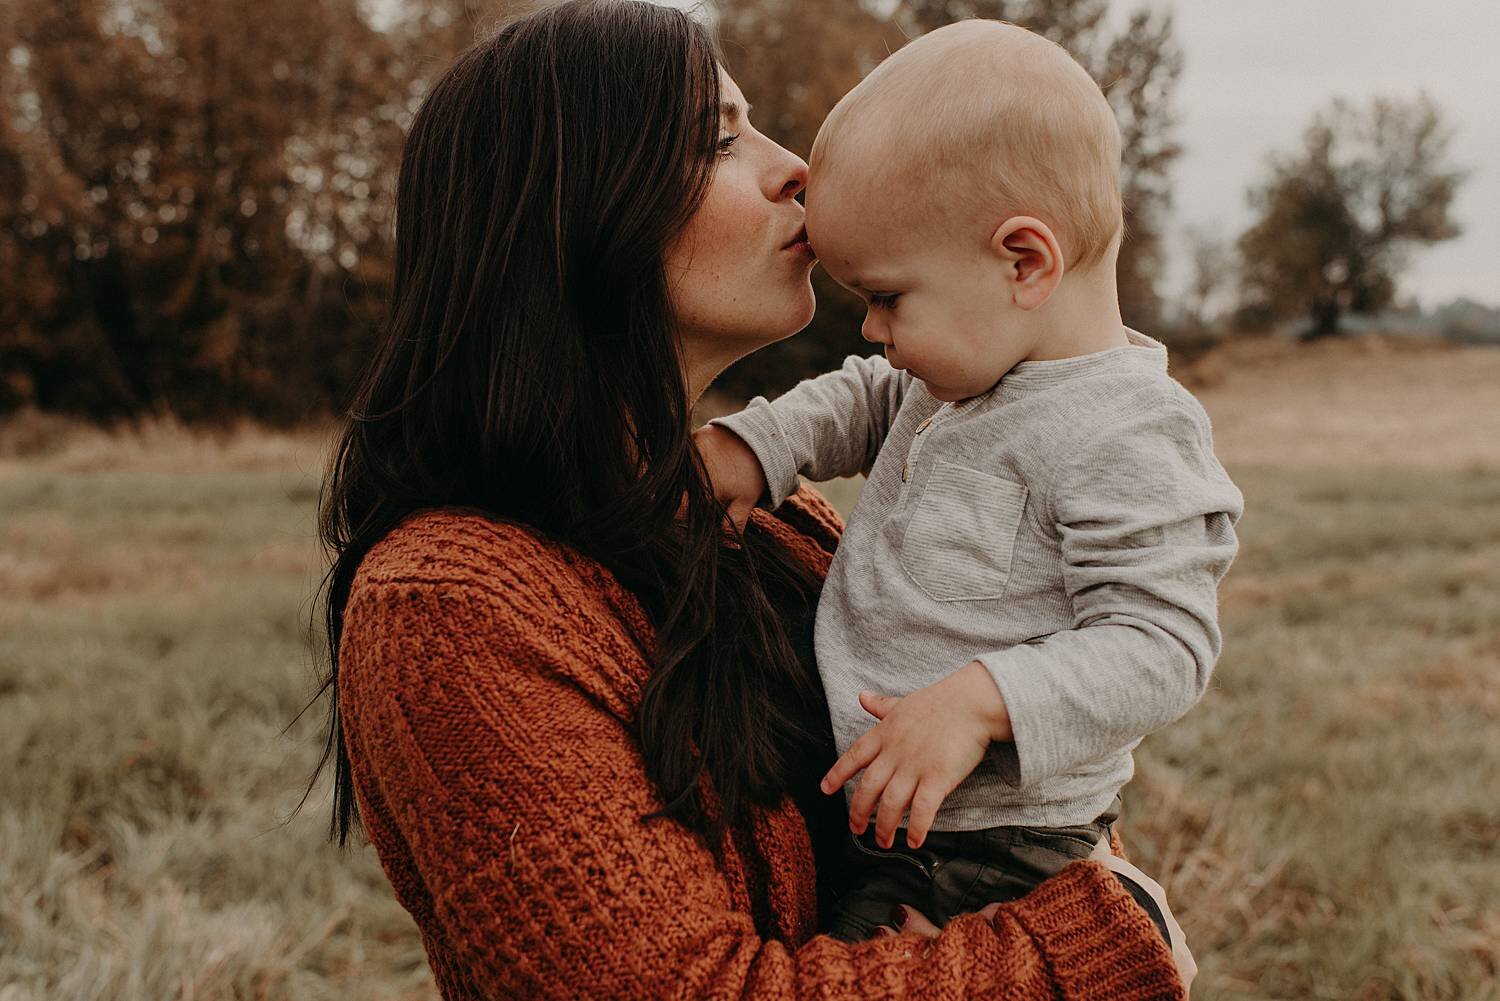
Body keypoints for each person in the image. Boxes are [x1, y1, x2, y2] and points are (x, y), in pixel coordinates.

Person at [305, 2, 1188, 997]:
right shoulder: (450, 608)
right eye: (721, 139)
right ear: (582, 212)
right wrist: (1101, 935)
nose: (795, 168)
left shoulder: (767, 520)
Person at [697, 19, 1241, 950]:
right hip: (893, 819)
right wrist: (758, 445)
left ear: (1024, 262)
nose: (871, 329)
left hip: (1008, 853)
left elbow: (1163, 641)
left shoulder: (1128, 424)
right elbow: (861, 399)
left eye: (889, 297)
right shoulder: (951, 372)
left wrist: (984, 698)